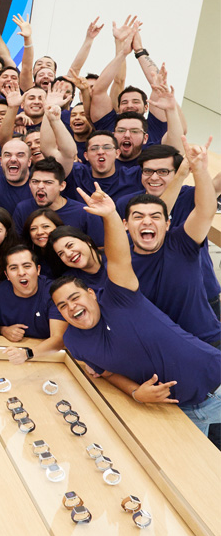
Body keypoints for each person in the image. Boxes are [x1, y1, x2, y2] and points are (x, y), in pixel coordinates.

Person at [48, 184, 221, 438]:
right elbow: (106, 373)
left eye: (74, 297)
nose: (71, 307)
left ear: (92, 293)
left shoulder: (119, 298)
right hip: (179, 412)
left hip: (216, 383)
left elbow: (118, 258)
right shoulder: (74, 341)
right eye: (62, 306)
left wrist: (109, 216)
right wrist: (135, 393)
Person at [123, 139, 221, 346]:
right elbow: (156, 212)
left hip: (202, 292)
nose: (154, 177)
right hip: (155, 299)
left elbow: (208, 203)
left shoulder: (189, 196)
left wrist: (197, 168)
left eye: (163, 172)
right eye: (148, 171)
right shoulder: (129, 204)